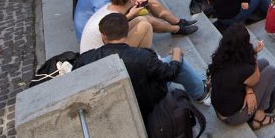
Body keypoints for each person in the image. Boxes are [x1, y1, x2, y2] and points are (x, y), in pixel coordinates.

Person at [73, 13, 206, 118]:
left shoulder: (86, 59)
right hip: (147, 102)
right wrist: (177, 55)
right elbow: (170, 73)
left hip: (110, 104)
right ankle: (201, 92)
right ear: (127, 31)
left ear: (103, 35)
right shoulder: (143, 56)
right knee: (175, 60)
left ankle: (201, 82)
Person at [81, 0, 195, 51]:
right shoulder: (112, 17)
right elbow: (113, 30)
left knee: (143, 18)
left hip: (104, 44)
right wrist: (130, 15)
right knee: (145, 25)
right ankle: (147, 59)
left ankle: (177, 28)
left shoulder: (110, 7)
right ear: (131, 0)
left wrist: (131, 14)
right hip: (102, 57)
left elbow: (117, 23)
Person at [209, 24, 275, 129]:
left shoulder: (221, 57)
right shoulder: (245, 69)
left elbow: (239, 78)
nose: (250, 43)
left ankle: (255, 106)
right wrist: (254, 55)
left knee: (264, 62)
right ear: (243, 46)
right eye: (247, 41)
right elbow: (254, 79)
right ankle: (259, 117)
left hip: (220, 109)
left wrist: (249, 91)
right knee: (271, 71)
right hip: (234, 116)